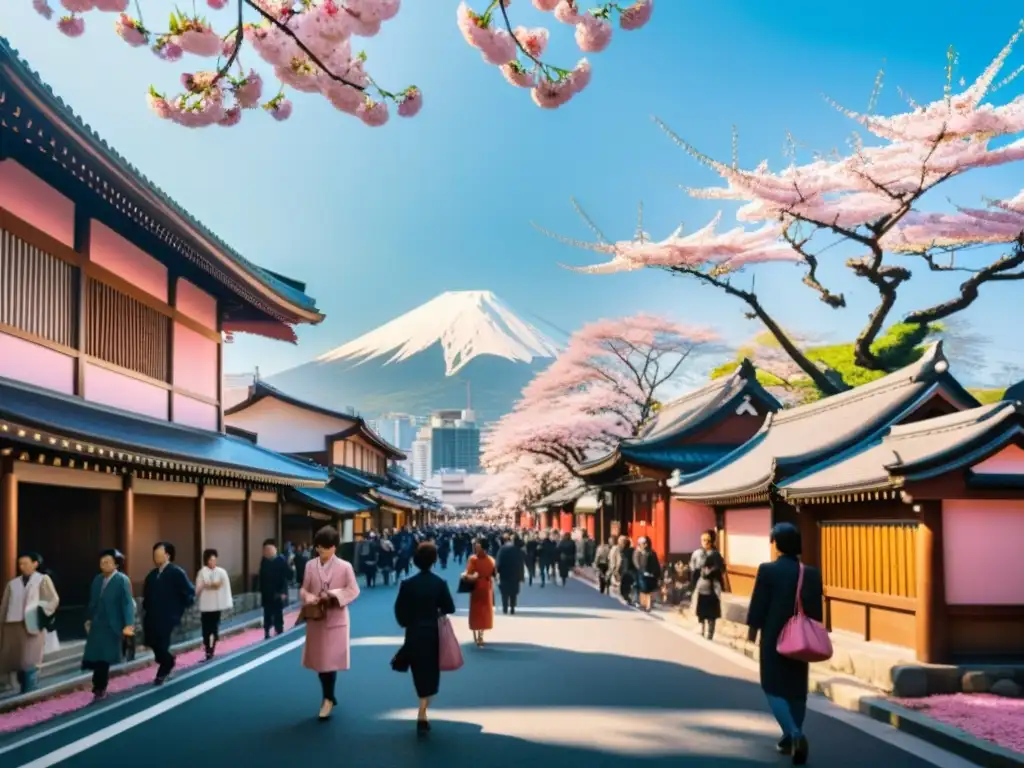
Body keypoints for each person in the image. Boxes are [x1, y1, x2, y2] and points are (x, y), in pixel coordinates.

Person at [746, 522, 824, 766]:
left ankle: (795, 734)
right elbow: (816, 611)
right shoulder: (810, 573)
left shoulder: (767, 570)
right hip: (801, 638)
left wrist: (752, 631)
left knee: (772, 686)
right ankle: (789, 738)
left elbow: (760, 604)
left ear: (777, 544)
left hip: (774, 636)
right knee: (796, 689)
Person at [394, 541, 457, 733]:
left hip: (413, 632)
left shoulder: (407, 584)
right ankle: (423, 710)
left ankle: (421, 706)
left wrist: (406, 622)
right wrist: (437, 611)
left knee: (418, 671)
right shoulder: (439, 583)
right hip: (432, 632)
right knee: (431, 672)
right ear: (434, 561)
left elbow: (399, 610)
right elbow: (450, 608)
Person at [300, 525, 361, 720]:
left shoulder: (345, 567)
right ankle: (330, 695)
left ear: (334, 547)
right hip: (317, 618)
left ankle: (326, 699)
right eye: (318, 547)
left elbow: (353, 590)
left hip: (336, 618)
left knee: (330, 660)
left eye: (325, 548)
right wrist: (309, 598)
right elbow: (304, 589)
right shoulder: (310, 565)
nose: (321, 551)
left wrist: (333, 595)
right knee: (320, 661)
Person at [0, 552, 60, 693]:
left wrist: (41, 611)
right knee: (16, 659)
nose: (22, 566)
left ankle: (30, 688)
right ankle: (21, 685)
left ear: (35, 564)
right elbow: (5, 605)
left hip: (32, 624)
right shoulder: (12, 583)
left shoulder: (42, 579)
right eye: (20, 564)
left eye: (25, 563)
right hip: (13, 624)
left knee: (30, 659)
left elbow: (53, 599)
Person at [81, 549, 134, 699]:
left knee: (104, 657)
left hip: (113, 624)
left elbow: (127, 603)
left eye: (107, 562)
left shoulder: (122, 580)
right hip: (97, 623)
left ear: (116, 564)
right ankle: (97, 685)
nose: (104, 565)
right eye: (102, 562)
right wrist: (88, 618)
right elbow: (92, 601)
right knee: (95, 655)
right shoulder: (97, 580)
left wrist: (128, 624)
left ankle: (100, 687)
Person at [142, 542, 194, 685]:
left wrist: (179, 609)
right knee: (153, 643)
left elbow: (189, 591)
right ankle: (168, 661)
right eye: (155, 554)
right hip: (152, 615)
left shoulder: (176, 572)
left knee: (162, 644)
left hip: (168, 616)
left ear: (168, 555)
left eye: (159, 554)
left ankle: (165, 668)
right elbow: (146, 594)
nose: (156, 557)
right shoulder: (152, 575)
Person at [195, 549, 233, 660]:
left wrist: (211, 585)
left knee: (213, 628)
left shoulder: (221, 572)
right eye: (210, 560)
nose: (213, 562)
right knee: (206, 629)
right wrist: (205, 585)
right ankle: (208, 648)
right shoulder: (202, 572)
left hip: (216, 606)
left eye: (214, 559)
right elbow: (198, 588)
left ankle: (211, 650)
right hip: (206, 607)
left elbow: (223, 586)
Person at [690, 530, 725, 639]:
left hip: (712, 586)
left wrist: (712, 571)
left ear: (712, 541)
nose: (705, 542)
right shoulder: (697, 553)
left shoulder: (716, 554)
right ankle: (701, 629)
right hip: (701, 585)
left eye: (708, 540)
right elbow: (693, 568)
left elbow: (722, 569)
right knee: (701, 611)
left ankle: (710, 633)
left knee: (712, 613)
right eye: (703, 540)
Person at [464, 538, 495, 647]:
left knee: (475, 611)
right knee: (484, 611)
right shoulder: (490, 559)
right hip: (486, 586)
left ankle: (476, 633)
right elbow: (494, 573)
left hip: (476, 585)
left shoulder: (472, 559)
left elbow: (468, 572)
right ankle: (481, 634)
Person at [259, 539, 290, 639]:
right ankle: (267, 631)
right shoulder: (264, 561)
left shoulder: (281, 560)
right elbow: (261, 577)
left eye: (269, 549)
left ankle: (279, 630)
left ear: (275, 549)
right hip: (266, 593)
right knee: (267, 613)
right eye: (265, 550)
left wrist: (283, 592)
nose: (267, 552)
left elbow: (286, 577)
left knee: (278, 613)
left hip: (278, 592)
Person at [495, 534, 525, 615]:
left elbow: (498, 562)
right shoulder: (518, 550)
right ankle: (512, 607)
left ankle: (505, 607)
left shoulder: (502, 549)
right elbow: (521, 564)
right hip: (515, 573)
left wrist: (496, 572)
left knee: (504, 592)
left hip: (504, 573)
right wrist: (521, 576)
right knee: (513, 592)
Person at [635, 537, 662, 612]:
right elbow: (637, 562)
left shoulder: (649, 553)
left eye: (642, 544)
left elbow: (654, 564)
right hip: (646, 573)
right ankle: (646, 605)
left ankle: (647, 605)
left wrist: (655, 573)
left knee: (646, 590)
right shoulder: (641, 552)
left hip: (648, 573)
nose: (641, 545)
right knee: (645, 590)